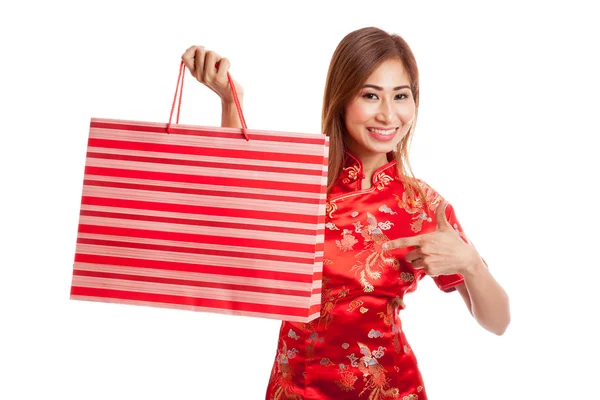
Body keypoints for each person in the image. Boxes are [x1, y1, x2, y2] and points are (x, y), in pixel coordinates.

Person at [181, 27, 510, 400]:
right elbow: (235, 209)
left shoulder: (422, 204)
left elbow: (498, 321)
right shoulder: (302, 182)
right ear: (342, 99)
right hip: (297, 390)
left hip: (391, 389)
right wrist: (230, 101)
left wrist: (471, 263)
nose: (388, 114)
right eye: (370, 95)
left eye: (401, 96)